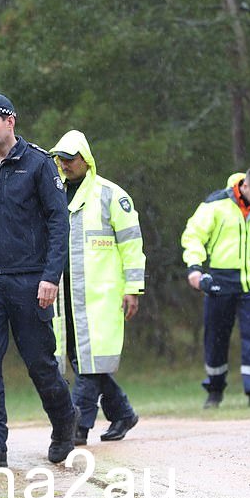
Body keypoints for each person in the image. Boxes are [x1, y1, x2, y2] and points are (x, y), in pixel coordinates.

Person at [0, 94, 78, 471]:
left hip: (30, 280)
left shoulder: (40, 164)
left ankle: (63, 419)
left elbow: (59, 223)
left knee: (39, 363)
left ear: (11, 121)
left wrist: (50, 276)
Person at [50, 130, 145, 446]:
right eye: (60, 159)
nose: (64, 164)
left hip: (101, 298)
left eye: (70, 159)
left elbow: (132, 245)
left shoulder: (110, 195)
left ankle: (78, 425)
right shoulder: (53, 192)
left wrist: (133, 288)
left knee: (91, 363)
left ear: (85, 159)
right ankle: (123, 413)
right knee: (84, 361)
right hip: (64, 297)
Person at [181, 165, 250, 409]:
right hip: (221, 278)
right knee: (216, 337)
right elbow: (194, 235)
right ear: (245, 185)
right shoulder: (216, 203)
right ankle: (215, 391)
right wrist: (195, 267)